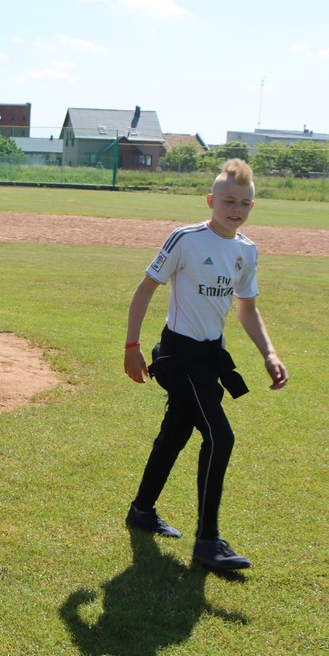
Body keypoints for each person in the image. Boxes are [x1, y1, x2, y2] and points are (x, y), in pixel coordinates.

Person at [123, 159, 288, 571]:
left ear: (253, 206)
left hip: (209, 358)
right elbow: (145, 289)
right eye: (229, 200)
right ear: (212, 200)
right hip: (179, 356)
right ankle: (208, 541)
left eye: (245, 203)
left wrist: (269, 352)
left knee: (177, 431)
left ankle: (142, 510)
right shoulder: (186, 239)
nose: (236, 208)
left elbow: (247, 310)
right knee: (220, 437)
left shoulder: (245, 250)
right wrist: (132, 345)